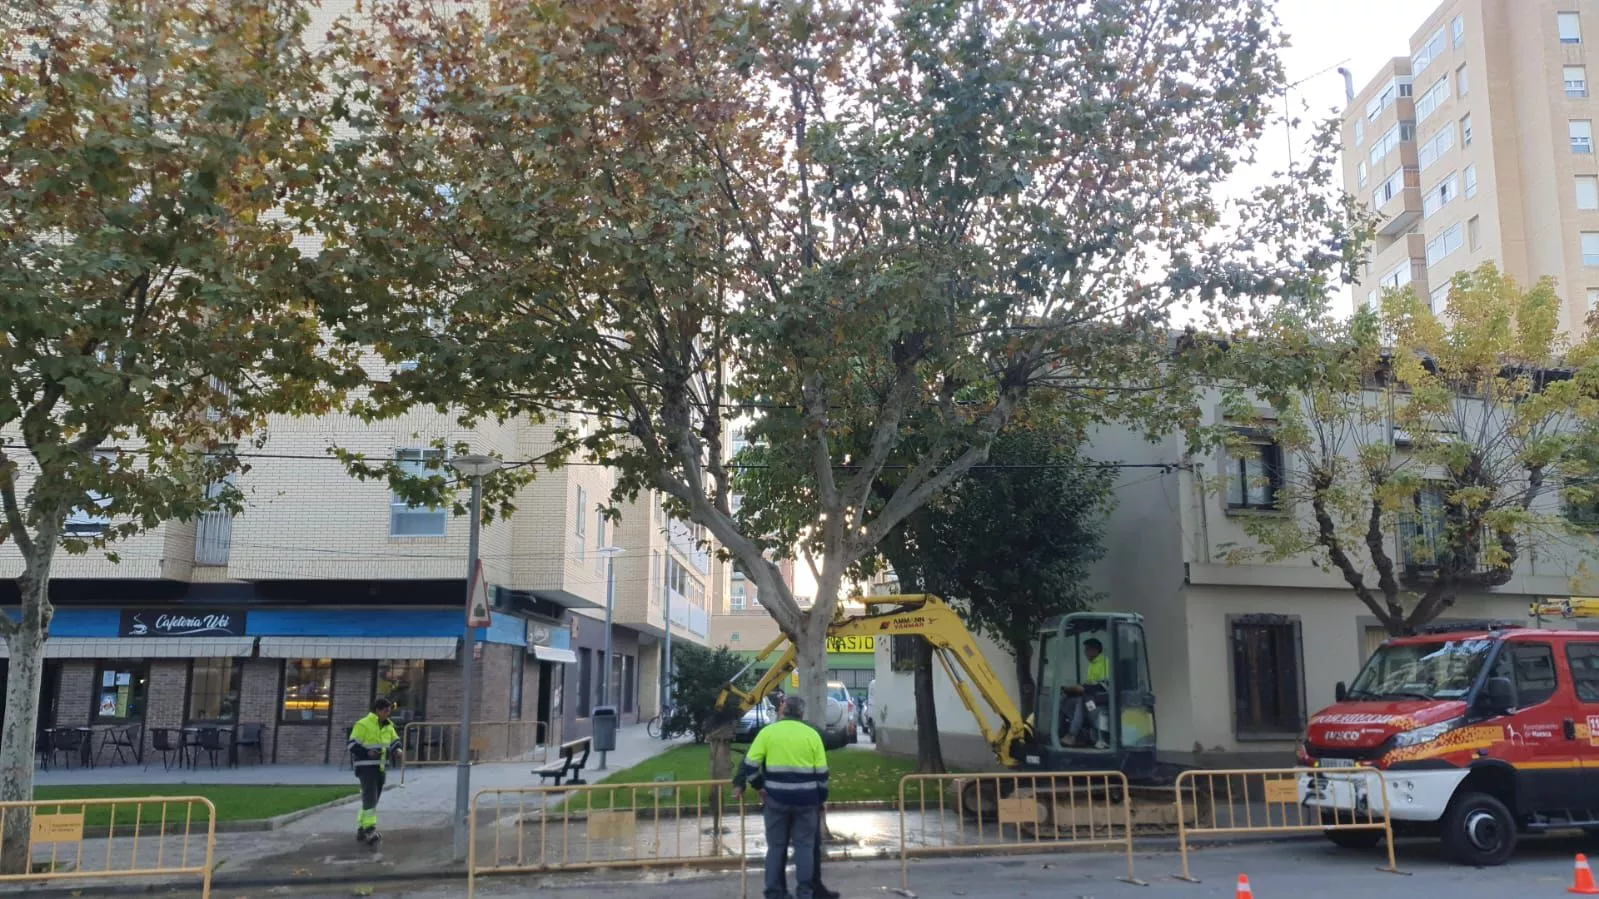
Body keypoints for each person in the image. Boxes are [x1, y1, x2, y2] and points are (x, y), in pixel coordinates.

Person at [734, 695, 830, 899]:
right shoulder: (812, 735)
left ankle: (774, 892)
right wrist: (820, 799)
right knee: (804, 848)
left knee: (776, 848)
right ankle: (805, 892)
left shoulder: (768, 733)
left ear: (782, 710)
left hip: (776, 799)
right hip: (807, 801)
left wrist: (759, 786)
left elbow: (750, 765)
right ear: (802, 713)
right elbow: (822, 774)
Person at [348, 696, 403, 846]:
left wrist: (397, 750)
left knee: (372, 799)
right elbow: (352, 745)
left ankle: (361, 828)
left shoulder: (388, 726)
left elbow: (394, 741)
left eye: (389, 711)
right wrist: (368, 752)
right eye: (386, 711)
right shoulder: (363, 724)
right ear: (377, 710)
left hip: (380, 768)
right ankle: (369, 830)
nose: (388, 713)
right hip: (366, 768)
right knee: (370, 798)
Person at [1061, 638, 1111, 749]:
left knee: (1082, 700)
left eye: (1087, 649)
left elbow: (1102, 686)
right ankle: (1082, 732)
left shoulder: (1104, 663)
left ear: (1095, 650)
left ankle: (1072, 734)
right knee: (1066, 701)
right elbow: (1090, 685)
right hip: (1092, 698)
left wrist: (1082, 688)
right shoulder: (1092, 664)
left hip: (1101, 701)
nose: (1085, 652)